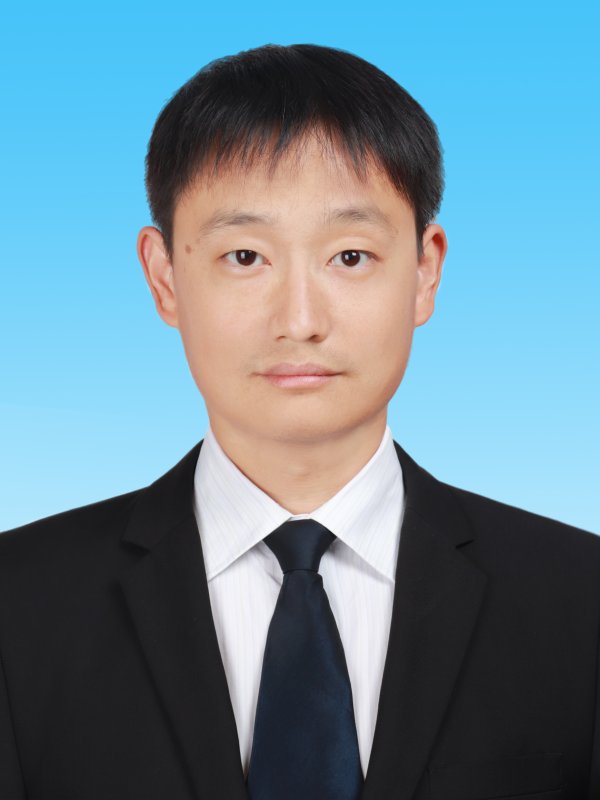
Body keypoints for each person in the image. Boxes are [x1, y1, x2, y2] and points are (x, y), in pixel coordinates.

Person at [0, 42, 598, 800]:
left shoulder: (579, 600)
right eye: (245, 257)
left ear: (425, 271)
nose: (300, 320)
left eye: (350, 257)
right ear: (164, 277)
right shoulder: (18, 605)